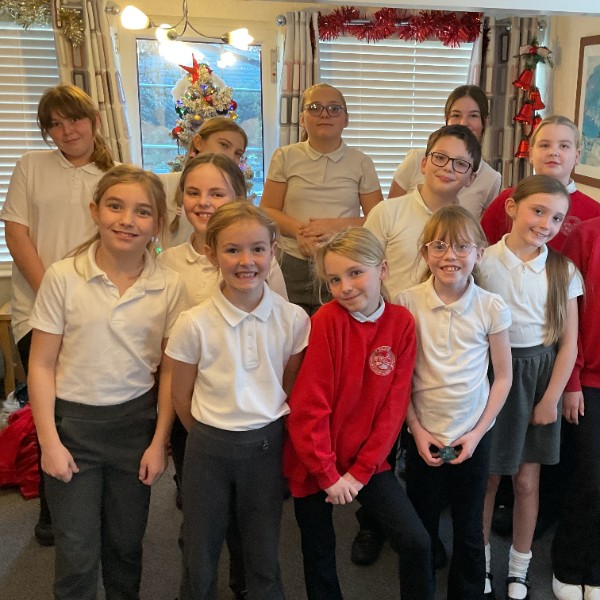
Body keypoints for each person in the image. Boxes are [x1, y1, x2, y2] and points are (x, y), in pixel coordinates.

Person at [27, 165, 185, 599]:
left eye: (142, 212)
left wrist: (159, 442)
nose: (127, 220)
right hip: (72, 429)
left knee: (125, 546)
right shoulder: (63, 276)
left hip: (133, 429)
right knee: (76, 551)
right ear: (95, 210)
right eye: (115, 206)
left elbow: (169, 370)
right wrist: (49, 443)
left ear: (158, 222)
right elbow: (41, 364)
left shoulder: (169, 285)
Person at [158, 153, 287, 599]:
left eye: (217, 193)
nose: (245, 260)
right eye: (232, 250)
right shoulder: (183, 297)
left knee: (259, 542)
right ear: (214, 255)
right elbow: (178, 383)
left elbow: (284, 363)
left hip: (262, 432)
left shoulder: (286, 309)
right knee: (200, 538)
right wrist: (199, 430)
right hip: (204, 432)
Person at [284, 226, 434, 600]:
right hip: (314, 461)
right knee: (319, 552)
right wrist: (327, 474)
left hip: (366, 461)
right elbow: (310, 407)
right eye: (334, 279)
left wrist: (360, 471)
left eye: (355, 273)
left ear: (382, 269)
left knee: (416, 542)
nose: (345, 287)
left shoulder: (401, 323)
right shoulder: (326, 321)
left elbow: (393, 408)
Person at [0, 83, 115, 546]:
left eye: (75, 119)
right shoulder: (31, 165)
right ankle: (52, 510)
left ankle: (97, 503)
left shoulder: (113, 175)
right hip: (37, 311)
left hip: (95, 313)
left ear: (95, 121)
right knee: (48, 411)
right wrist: (54, 294)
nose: (67, 130)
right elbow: (17, 233)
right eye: (55, 124)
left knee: (87, 411)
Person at [397, 205, 512, 600]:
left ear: (479, 252)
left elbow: (503, 377)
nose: (450, 256)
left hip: (473, 435)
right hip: (421, 432)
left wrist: (477, 434)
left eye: (462, 247)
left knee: (468, 528)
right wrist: (415, 428)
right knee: (421, 526)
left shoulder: (491, 306)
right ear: (425, 252)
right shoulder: (406, 303)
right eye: (439, 246)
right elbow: (400, 378)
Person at [479, 175, 582, 600]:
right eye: (538, 211)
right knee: (487, 478)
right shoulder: (482, 262)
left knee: (526, 481)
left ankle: (519, 568)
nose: (545, 224)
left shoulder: (562, 269)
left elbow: (569, 342)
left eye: (556, 218)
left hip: (538, 379)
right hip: (491, 376)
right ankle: (481, 562)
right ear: (512, 208)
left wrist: (551, 398)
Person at [260, 83, 383, 314]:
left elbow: (378, 218)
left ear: (346, 119)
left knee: (336, 329)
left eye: (334, 108)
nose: (325, 114)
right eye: (314, 108)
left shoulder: (361, 162)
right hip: (291, 262)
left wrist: (336, 227)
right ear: (302, 119)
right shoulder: (285, 156)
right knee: (289, 328)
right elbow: (266, 210)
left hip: (342, 264)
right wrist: (300, 232)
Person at [365, 124, 480, 309]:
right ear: (424, 164)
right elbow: (362, 271)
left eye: (460, 163)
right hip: (393, 321)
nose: (448, 167)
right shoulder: (386, 213)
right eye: (440, 157)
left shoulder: (468, 229)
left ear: (471, 178)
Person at [552, 216, 600, 600]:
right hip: (589, 379)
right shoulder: (587, 234)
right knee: (590, 477)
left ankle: (595, 569)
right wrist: (571, 381)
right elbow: (567, 315)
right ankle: (568, 565)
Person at [481, 115, 600, 252]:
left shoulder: (595, 213)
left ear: (577, 156)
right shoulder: (508, 198)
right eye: (544, 145)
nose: (553, 152)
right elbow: (481, 249)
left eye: (564, 146)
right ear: (531, 154)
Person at [388, 85, 501, 218]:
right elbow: (390, 212)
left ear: (485, 121)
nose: (463, 123)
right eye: (456, 115)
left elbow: (478, 229)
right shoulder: (417, 158)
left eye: (473, 116)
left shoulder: (491, 178)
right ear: (446, 118)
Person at [160, 116, 249, 247]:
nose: (230, 156)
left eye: (238, 153)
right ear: (199, 143)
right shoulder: (164, 185)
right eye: (224, 145)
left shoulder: (236, 194)